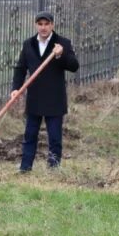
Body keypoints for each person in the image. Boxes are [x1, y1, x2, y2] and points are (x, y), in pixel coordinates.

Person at [10, 11, 79, 172]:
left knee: (55, 138)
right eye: (40, 24)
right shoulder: (29, 44)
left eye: (46, 24)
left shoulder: (62, 43)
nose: (43, 27)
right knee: (30, 135)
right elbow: (20, 69)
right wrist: (16, 88)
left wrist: (60, 55)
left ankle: (54, 168)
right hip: (35, 98)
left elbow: (74, 66)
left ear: (52, 25)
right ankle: (25, 167)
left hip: (54, 98)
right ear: (36, 25)